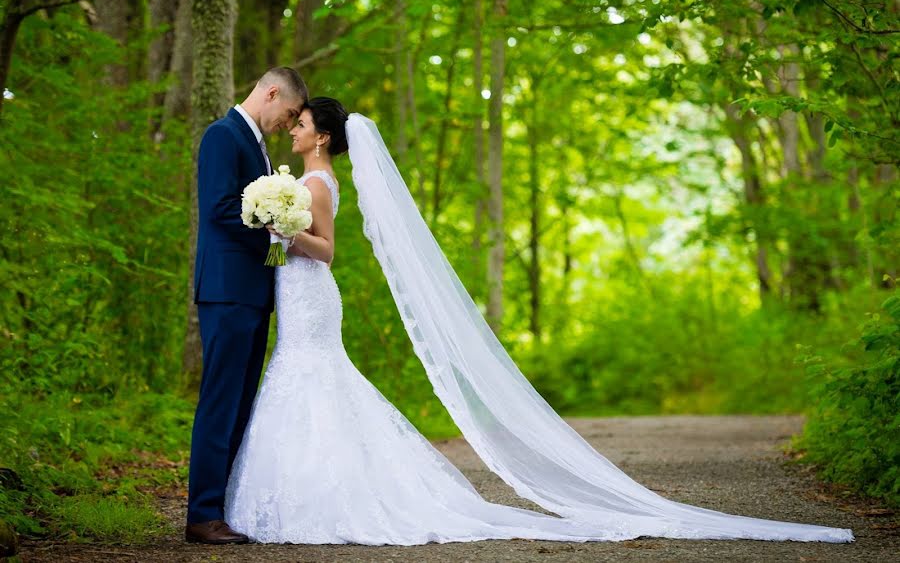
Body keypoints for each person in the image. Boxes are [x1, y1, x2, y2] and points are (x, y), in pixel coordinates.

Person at [222, 97, 854, 545]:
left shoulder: (317, 183)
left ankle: (330, 499)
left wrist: (280, 225)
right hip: (300, 293)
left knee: (313, 382)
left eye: (301, 124)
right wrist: (281, 234)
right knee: (310, 383)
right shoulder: (306, 177)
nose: (294, 130)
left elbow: (327, 249)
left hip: (312, 289)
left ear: (322, 137)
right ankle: (320, 490)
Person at [186, 67, 307, 545]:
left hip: (251, 292)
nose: (289, 123)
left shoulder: (255, 144)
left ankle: (224, 507)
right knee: (220, 403)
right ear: (272, 92)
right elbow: (218, 210)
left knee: (239, 404)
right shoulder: (223, 135)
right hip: (227, 289)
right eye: (290, 113)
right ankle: (201, 515)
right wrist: (274, 229)